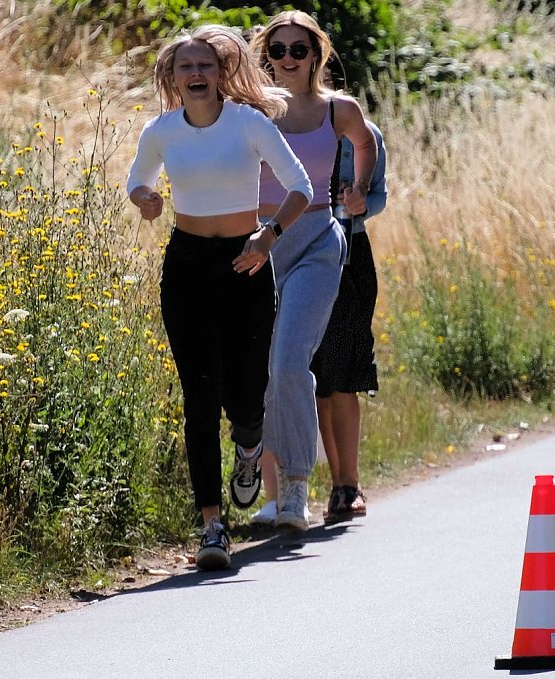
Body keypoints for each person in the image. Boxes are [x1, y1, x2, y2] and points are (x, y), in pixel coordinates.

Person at [126, 25, 312, 570]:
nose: (196, 74)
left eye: (205, 65)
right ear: (172, 77)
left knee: (247, 392)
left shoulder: (249, 123)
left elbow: (299, 186)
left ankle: (250, 447)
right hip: (187, 265)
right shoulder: (161, 131)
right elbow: (137, 180)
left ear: (221, 72)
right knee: (199, 396)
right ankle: (213, 527)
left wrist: (269, 235)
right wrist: (146, 199)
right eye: (186, 67)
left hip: (246, 261)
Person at [247, 12, 377, 532]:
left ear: (316, 56)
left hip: (318, 241)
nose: (287, 61)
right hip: (258, 245)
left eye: (298, 50)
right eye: (277, 51)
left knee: (289, 360)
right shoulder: (253, 109)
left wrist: (359, 187)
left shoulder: (337, 109)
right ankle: (275, 494)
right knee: (260, 370)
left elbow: (365, 142)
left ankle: (298, 490)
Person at [312, 69, 388, 523]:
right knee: (314, 376)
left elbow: (377, 196)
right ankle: (316, 486)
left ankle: (348, 485)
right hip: (297, 256)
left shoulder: (366, 135)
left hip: (351, 256)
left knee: (342, 374)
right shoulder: (282, 126)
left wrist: (361, 202)